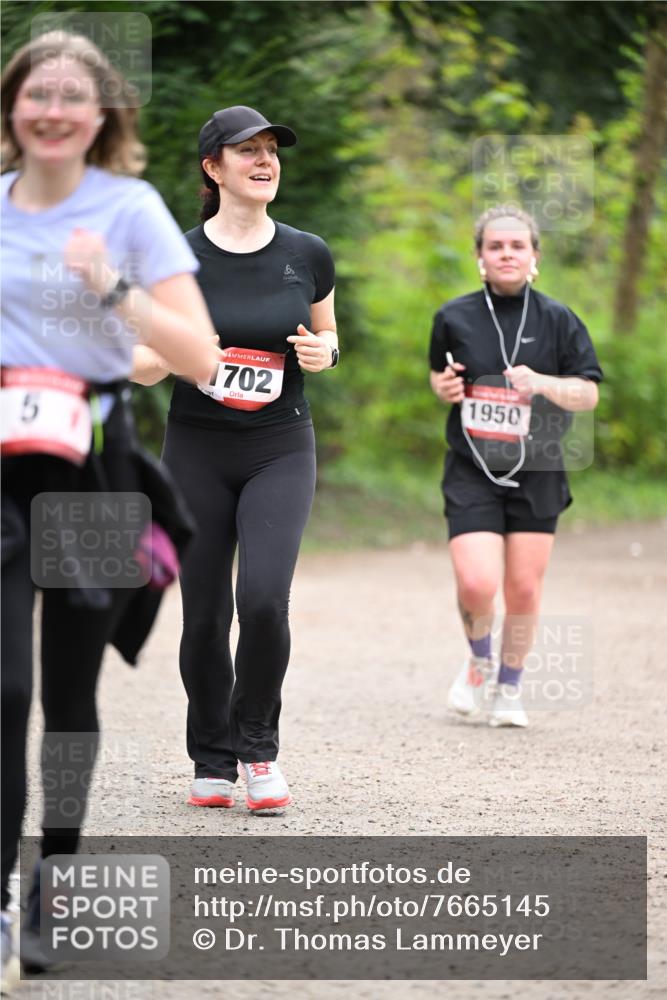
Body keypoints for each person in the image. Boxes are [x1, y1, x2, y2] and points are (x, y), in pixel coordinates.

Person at [0, 31, 219, 984]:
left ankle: (58, 876)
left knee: (71, 693)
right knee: (6, 688)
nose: (51, 109)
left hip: (90, 465)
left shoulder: (131, 210)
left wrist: (112, 287)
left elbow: (202, 356)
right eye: (34, 93)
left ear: (101, 117)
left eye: (70, 96)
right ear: (13, 108)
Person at [138, 106, 338, 813]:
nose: (263, 161)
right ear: (211, 167)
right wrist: (174, 357)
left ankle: (257, 751)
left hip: (279, 446)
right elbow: (136, 362)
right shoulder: (175, 259)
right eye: (245, 151)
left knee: (261, 599)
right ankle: (211, 758)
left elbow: (325, 337)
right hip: (195, 445)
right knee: (202, 613)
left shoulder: (307, 252)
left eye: (270, 151)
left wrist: (325, 351)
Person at [429, 205, 602, 728]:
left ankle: (508, 688)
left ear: (534, 258)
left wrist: (544, 383)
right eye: (496, 247)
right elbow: (442, 381)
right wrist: (444, 388)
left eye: (517, 246)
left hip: (540, 467)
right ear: (481, 257)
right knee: (478, 582)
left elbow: (588, 394)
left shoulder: (559, 319)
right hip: (473, 464)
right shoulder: (453, 317)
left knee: (523, 588)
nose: (507, 254)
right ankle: (480, 660)